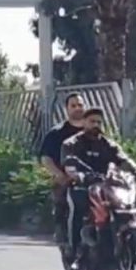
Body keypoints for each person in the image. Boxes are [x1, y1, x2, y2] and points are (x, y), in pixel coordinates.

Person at [61, 108, 136, 256]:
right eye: (92, 121)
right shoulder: (71, 143)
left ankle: (119, 238)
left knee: (126, 203)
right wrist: (78, 176)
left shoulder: (108, 144)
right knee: (78, 208)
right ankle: (74, 250)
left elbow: (123, 159)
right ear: (84, 122)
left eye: (99, 122)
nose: (96, 125)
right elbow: (69, 165)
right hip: (82, 185)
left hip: (105, 184)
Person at [40, 93, 85, 248]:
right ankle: (62, 232)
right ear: (67, 108)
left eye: (80, 105)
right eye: (73, 105)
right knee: (62, 197)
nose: (77, 108)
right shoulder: (57, 133)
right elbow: (46, 158)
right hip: (67, 178)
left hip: (91, 177)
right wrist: (58, 174)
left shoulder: (92, 131)